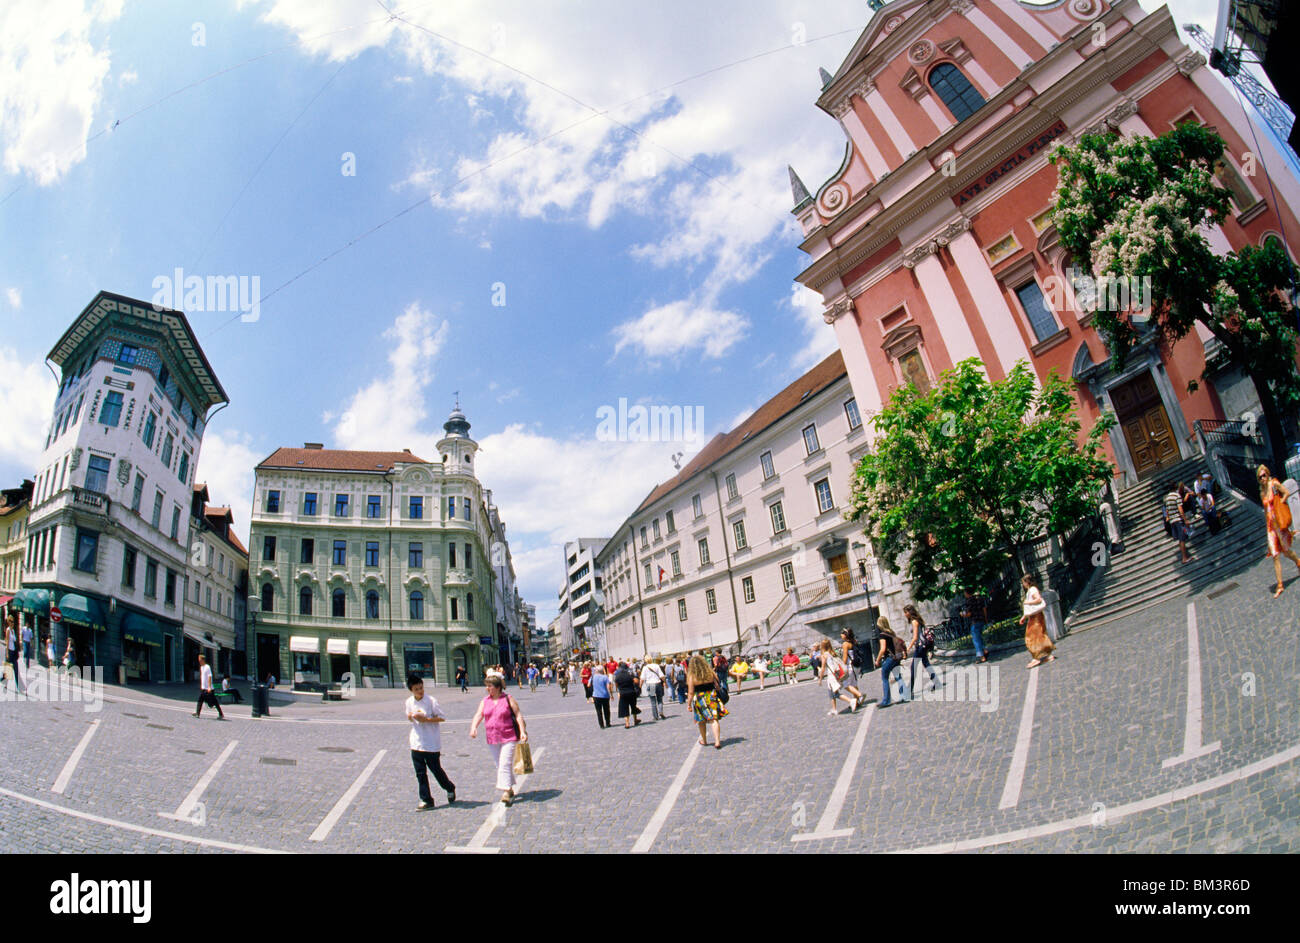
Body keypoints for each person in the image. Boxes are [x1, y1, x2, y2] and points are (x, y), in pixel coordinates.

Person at [469, 675, 526, 806]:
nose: (487, 688)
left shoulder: (508, 699)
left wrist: (522, 731)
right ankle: (510, 788)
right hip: (492, 737)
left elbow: (518, 714)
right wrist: (473, 727)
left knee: (505, 763)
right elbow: (479, 715)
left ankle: (505, 791)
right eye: (487, 686)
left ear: (498, 687)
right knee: (499, 765)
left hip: (509, 736)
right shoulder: (485, 701)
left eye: (490, 686)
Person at [405, 672, 456, 810]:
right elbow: (409, 717)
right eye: (417, 689)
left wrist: (426, 720)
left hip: (431, 742)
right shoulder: (409, 702)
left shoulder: (431, 700)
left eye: (421, 688)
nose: (420, 691)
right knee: (420, 773)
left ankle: (449, 787)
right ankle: (426, 799)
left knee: (436, 770)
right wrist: (411, 716)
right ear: (411, 690)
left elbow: (442, 717)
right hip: (416, 742)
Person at [1259, 464, 1300, 597]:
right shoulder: (1262, 492)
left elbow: (1287, 493)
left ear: (1268, 474)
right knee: (1275, 555)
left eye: (1264, 475)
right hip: (1271, 527)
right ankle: (1280, 585)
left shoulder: (1274, 483)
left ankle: (1298, 561)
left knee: (1287, 552)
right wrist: (1267, 528)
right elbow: (1265, 511)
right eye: (1260, 477)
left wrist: (1280, 503)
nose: (1263, 478)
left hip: (1279, 524)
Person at [686, 654, 727, 749]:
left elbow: (691, 692)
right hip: (711, 695)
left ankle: (704, 740)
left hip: (699, 698)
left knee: (701, 720)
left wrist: (688, 704)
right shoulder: (710, 672)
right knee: (714, 719)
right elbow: (717, 683)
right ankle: (717, 741)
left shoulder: (692, 676)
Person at [1019, 574, 1056, 668]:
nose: (1023, 584)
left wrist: (1028, 602)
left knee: (1031, 637)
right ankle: (1048, 655)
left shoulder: (1032, 590)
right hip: (1034, 616)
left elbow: (1038, 599)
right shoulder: (1031, 590)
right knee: (1040, 636)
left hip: (1036, 617)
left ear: (1027, 582)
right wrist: (1024, 617)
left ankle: (1036, 658)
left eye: (1023, 582)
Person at [873, 616, 910, 708]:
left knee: (885, 678)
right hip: (896, 658)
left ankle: (886, 700)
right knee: (898, 677)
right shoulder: (891, 633)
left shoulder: (882, 635)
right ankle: (905, 695)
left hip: (889, 659)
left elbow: (883, 649)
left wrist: (877, 660)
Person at [904, 605, 941, 693]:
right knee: (926, 664)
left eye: (906, 612)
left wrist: (908, 648)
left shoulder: (914, 622)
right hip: (922, 646)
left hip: (920, 646)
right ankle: (937, 682)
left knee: (914, 668)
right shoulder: (916, 620)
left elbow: (915, 637)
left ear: (910, 612)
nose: (905, 615)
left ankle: (909, 689)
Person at [817, 639, 858, 715]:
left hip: (831, 676)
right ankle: (834, 709)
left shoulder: (824, 655)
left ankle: (851, 701)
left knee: (835, 694)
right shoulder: (832, 653)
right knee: (831, 693)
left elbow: (822, 668)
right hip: (836, 674)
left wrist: (820, 679)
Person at [1164, 483, 1193, 564]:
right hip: (1177, 519)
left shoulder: (1167, 498)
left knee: (1180, 539)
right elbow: (1180, 509)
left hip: (1172, 521)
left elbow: (1167, 510)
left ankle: (1185, 556)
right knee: (1182, 538)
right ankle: (1184, 557)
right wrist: (1185, 520)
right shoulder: (1176, 496)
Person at [837, 629, 867, 706]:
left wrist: (842, 668)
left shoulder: (845, 644)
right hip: (856, 666)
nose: (841, 634)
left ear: (845, 635)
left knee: (846, 685)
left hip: (850, 666)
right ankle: (856, 702)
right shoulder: (854, 641)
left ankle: (860, 695)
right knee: (854, 684)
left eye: (842, 633)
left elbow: (844, 658)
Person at [961, 588, 990, 664]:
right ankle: (985, 650)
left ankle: (981, 656)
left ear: (967, 593)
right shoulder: (979, 599)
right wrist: (986, 619)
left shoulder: (969, 601)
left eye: (965, 593)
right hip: (981, 620)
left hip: (974, 621)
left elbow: (969, 613)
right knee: (979, 637)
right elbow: (984, 609)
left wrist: (962, 614)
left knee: (976, 639)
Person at [193, 654, 224, 719]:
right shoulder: (201, 667)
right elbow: (203, 677)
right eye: (199, 660)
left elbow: (209, 677)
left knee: (214, 702)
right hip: (204, 688)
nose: (199, 662)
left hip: (209, 689)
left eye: (200, 660)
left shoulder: (207, 667)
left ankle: (221, 714)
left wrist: (209, 687)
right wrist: (202, 686)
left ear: (203, 660)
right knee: (200, 700)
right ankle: (197, 713)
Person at [613, 661, 642, 728]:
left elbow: (616, 684)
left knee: (625, 708)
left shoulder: (617, 674)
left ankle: (627, 723)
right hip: (631, 691)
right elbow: (636, 681)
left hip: (623, 692)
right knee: (633, 706)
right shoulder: (630, 673)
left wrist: (619, 690)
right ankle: (635, 720)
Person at [3, 615, 26, 695]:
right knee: (8, 670)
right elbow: (7, 642)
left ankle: (20, 688)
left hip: (14, 652)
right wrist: (7, 653)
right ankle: (4, 682)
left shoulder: (13, 631)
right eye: (11, 621)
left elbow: (15, 642)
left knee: (16, 670)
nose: (12, 623)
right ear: (8, 622)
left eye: (13, 621)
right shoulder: (8, 630)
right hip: (9, 652)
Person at [590, 664, 613, 729]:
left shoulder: (593, 677)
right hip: (605, 695)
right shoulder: (605, 677)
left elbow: (589, 685)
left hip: (596, 696)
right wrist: (611, 695)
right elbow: (609, 687)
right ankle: (608, 723)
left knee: (598, 711)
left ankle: (601, 725)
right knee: (606, 710)